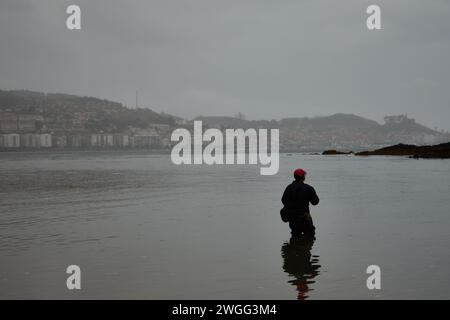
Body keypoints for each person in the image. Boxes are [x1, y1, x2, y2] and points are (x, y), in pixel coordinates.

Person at [281, 168, 320, 237]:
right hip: (305, 218)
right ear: (303, 177)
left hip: (292, 219)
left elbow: (283, 201)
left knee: (295, 237)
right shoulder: (309, 188)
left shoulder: (289, 188)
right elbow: (315, 202)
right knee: (310, 237)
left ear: (294, 176)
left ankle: (295, 247)